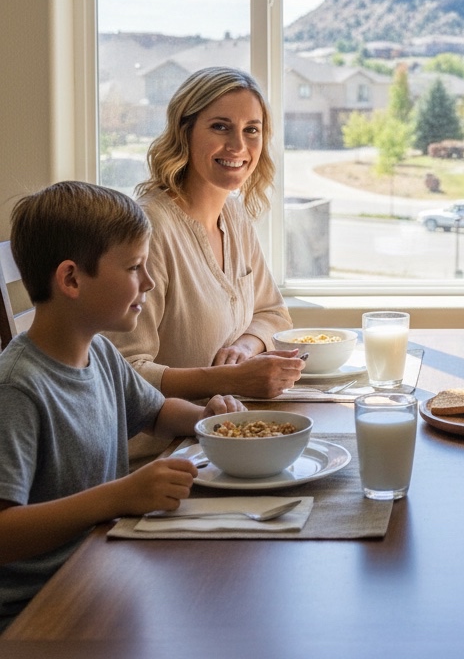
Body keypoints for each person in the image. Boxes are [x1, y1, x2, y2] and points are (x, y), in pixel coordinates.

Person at [0, 181, 245, 629]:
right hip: (37, 612)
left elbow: (154, 412)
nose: (148, 282)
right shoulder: (18, 387)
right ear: (71, 279)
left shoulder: (102, 353)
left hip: (99, 568)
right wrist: (120, 496)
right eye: (135, 267)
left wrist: (207, 419)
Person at [106, 67, 302, 455]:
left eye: (252, 130)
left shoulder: (235, 216)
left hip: (225, 434)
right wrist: (227, 379)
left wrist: (246, 348)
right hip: (160, 453)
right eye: (220, 127)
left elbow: (273, 313)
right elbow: (123, 372)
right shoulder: (149, 231)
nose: (238, 146)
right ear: (185, 131)